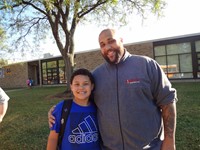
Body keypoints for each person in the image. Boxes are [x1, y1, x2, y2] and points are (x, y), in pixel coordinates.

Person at [49, 28, 177, 150]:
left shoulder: (147, 65)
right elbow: (82, 101)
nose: (107, 47)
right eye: (102, 44)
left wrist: (169, 141)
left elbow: (168, 101)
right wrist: (57, 111)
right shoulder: (96, 76)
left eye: (111, 41)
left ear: (121, 40)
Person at [47, 68, 101, 150]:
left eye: (85, 84)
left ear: (92, 86)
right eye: (77, 84)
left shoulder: (98, 107)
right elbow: (53, 138)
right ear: (71, 86)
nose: (81, 87)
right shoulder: (62, 107)